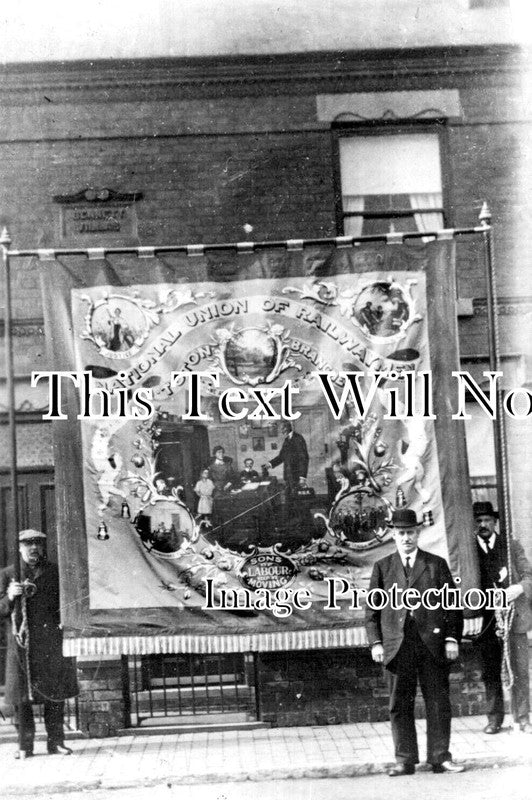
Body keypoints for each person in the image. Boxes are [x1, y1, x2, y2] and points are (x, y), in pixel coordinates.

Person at [365, 508, 464, 776]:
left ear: (417, 533)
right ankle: (404, 760)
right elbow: (372, 612)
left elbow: (452, 606)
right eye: (401, 533)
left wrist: (452, 638)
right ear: (393, 535)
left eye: (410, 532)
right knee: (399, 704)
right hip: (398, 646)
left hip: (431, 645)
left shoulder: (435, 564)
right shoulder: (383, 567)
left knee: (438, 702)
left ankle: (440, 757)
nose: (406, 538)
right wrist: (376, 643)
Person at [0, 530, 78, 757]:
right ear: (19, 547)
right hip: (21, 644)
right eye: (28, 544)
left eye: (37, 544)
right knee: (22, 699)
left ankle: (56, 743)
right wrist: (10, 597)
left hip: (49, 643)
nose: (33, 548)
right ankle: (25, 746)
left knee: (54, 695)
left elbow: (66, 603)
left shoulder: (54, 572)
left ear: (43, 547)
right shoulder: (8, 575)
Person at [472, 500, 532, 734]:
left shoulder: (511, 547)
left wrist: (517, 589)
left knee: (519, 668)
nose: (483, 525)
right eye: (478, 521)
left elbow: (529, 576)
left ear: (495, 522)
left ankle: (523, 716)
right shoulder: (469, 551)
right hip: (485, 621)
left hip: (513, 618)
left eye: (487, 520)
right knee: (490, 671)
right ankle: (494, 719)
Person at [265, 421, 309, 493]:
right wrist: (270, 464)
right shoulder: (287, 439)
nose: (281, 431)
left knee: (297, 498)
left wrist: (302, 477)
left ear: (287, 427)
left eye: (282, 429)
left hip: (296, 476)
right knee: (289, 497)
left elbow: (304, 458)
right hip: (288, 475)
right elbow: (282, 456)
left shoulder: (298, 438)